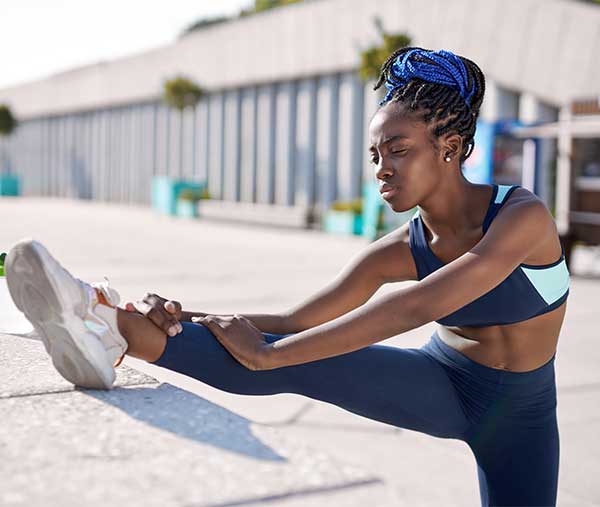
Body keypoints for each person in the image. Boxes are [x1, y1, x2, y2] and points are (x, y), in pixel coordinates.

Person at [5, 47, 569, 507]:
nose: (382, 169)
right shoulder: (395, 250)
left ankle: (112, 323)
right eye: (375, 154)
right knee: (281, 354)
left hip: (522, 417)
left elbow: (416, 307)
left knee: (277, 355)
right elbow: (298, 322)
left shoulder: (521, 217)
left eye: (397, 150)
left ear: (449, 148)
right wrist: (194, 317)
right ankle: (107, 320)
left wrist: (272, 354)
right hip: (442, 384)